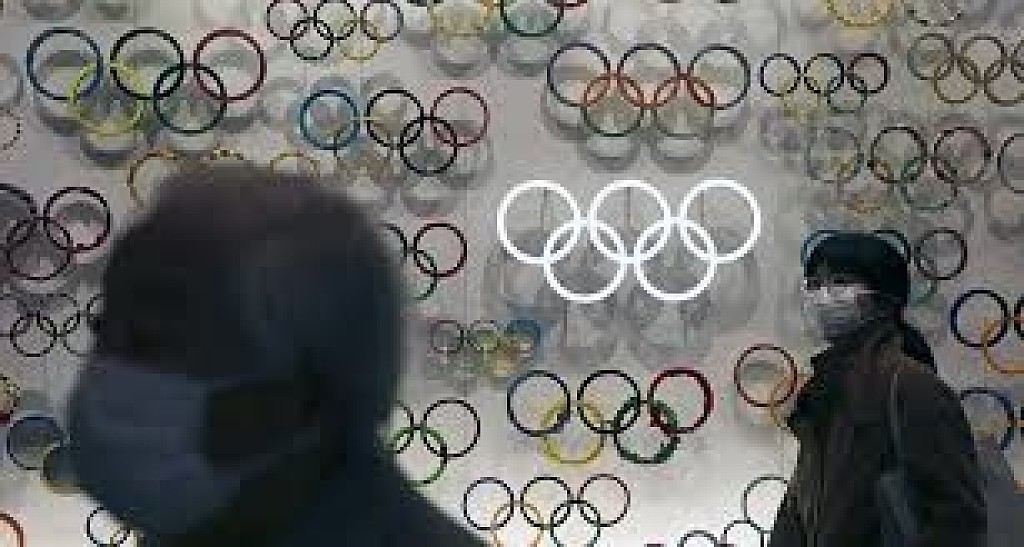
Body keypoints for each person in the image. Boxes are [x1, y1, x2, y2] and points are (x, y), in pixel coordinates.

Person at [65, 166, 487, 547]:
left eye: (148, 343)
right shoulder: (203, 528)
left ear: (306, 397)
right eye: (104, 329)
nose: (107, 373)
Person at [768, 231, 986, 547]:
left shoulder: (911, 387)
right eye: (814, 284)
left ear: (883, 298)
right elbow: (803, 503)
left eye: (840, 282)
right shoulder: (825, 388)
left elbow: (957, 517)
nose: (823, 297)